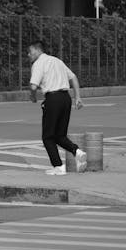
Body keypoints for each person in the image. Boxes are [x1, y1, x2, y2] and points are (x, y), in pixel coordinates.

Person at [27, 38, 87, 176]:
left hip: (53, 99)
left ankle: (58, 166)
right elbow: (73, 77)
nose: (28, 55)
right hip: (66, 99)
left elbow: (33, 85)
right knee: (60, 135)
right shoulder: (57, 61)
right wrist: (78, 97)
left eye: (30, 52)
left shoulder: (38, 64)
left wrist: (33, 96)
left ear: (37, 50)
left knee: (47, 136)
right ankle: (77, 151)